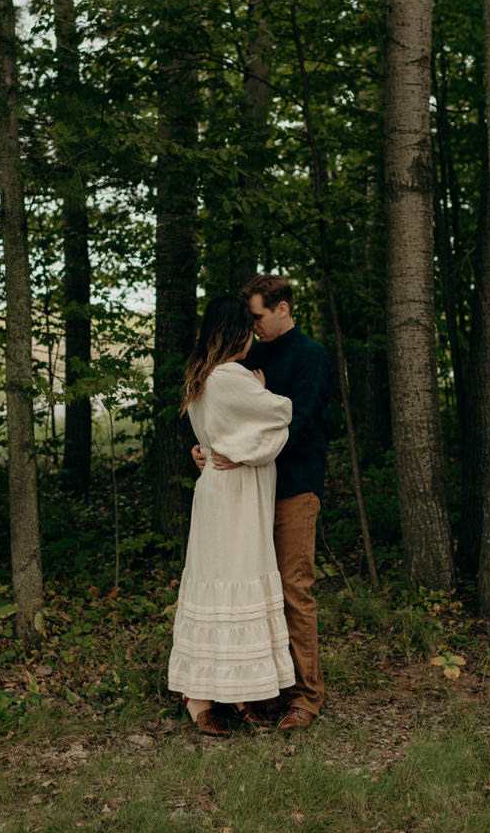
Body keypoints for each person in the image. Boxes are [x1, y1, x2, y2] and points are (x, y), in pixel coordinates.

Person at [193, 274, 332, 731]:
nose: (252, 328)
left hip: (292, 487)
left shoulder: (310, 355)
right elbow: (226, 411)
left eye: (257, 317)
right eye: (247, 321)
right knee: (254, 591)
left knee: (293, 589)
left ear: (283, 309)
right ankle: (257, 689)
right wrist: (209, 447)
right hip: (245, 495)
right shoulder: (245, 355)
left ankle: (305, 698)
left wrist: (243, 450)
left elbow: (301, 421)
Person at [167, 296, 296, 737]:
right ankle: (201, 697)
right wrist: (260, 387)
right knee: (232, 579)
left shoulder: (203, 376)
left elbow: (224, 431)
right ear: (235, 332)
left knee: (221, 581)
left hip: (223, 490)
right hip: (235, 494)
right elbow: (281, 412)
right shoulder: (230, 377)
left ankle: (230, 691)